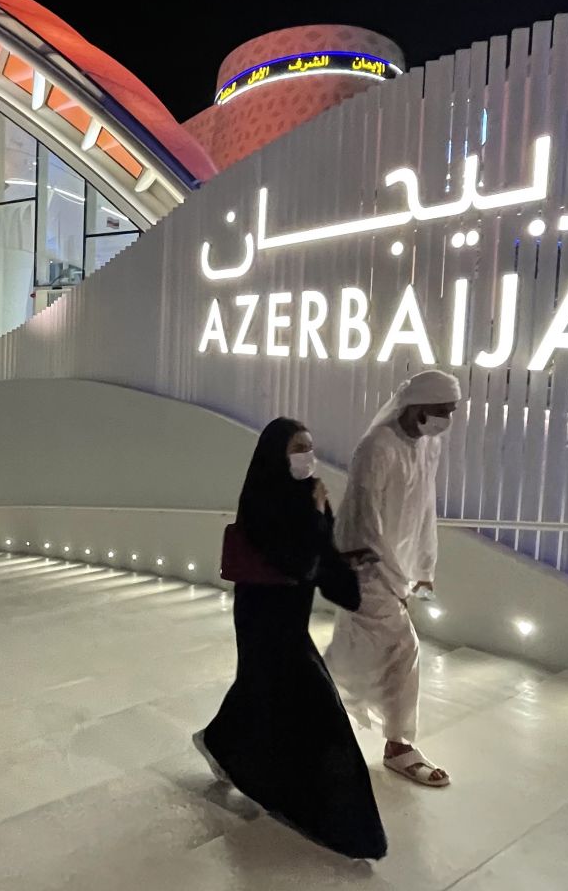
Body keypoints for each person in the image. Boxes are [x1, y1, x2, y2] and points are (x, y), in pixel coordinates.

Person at [195, 418, 386, 860]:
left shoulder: (311, 492)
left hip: (291, 617)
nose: (307, 455)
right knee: (317, 705)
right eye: (297, 447)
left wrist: (347, 586)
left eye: (310, 446)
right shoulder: (263, 495)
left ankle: (219, 740)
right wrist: (316, 519)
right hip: (262, 615)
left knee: (261, 689)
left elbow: (324, 555)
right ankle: (348, 826)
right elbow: (299, 559)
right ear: (277, 453)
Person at [325, 369, 462, 789]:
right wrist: (386, 577)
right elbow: (362, 519)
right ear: (416, 406)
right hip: (368, 570)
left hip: (397, 573)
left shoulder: (428, 446)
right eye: (440, 411)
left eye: (451, 412)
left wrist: (422, 570)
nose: (445, 420)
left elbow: (424, 510)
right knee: (403, 649)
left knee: (355, 652)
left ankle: (303, 717)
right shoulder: (377, 447)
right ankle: (399, 747)